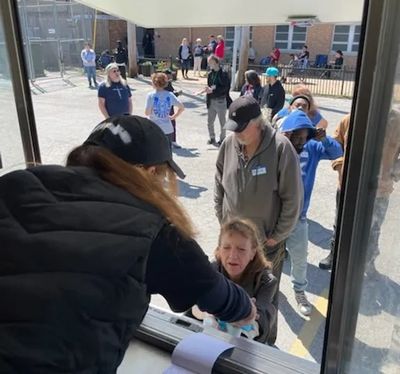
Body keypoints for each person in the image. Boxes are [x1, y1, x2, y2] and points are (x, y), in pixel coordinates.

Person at [0, 115, 257, 372]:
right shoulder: (153, 229)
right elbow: (217, 296)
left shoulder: (17, 183)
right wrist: (248, 310)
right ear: (151, 172)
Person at [215, 96, 303, 344]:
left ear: (258, 123)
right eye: (233, 129)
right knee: (228, 288)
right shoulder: (229, 144)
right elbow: (218, 183)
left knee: (265, 299)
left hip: (267, 243)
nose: (237, 134)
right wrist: (223, 221)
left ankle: (265, 343)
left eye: (241, 129)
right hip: (232, 240)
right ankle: (227, 338)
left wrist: (277, 235)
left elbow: (293, 199)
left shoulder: (281, 148)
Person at [279, 110, 342, 315]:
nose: (299, 139)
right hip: (273, 216)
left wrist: (324, 139)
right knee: (268, 257)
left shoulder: (312, 147)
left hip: (298, 217)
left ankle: (299, 291)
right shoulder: (279, 145)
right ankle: (267, 289)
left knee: (299, 258)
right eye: (295, 134)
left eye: (303, 135)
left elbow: (336, 152)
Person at [192, 219, 277, 344]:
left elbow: (260, 322)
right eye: (226, 247)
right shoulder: (212, 270)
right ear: (219, 249)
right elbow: (193, 308)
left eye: (241, 249)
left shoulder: (266, 281)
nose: (232, 256)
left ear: (253, 253)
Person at [145, 72, 184, 145]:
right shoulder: (170, 95)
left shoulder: (150, 96)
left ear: (154, 83)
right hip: (167, 128)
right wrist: (174, 116)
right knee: (167, 153)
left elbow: (147, 112)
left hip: (154, 128)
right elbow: (181, 107)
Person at [204, 55, 230, 146]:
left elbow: (225, 88)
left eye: (210, 62)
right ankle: (212, 138)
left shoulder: (223, 73)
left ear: (216, 62)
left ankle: (222, 139)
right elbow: (209, 86)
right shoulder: (210, 74)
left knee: (222, 122)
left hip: (220, 100)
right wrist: (207, 90)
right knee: (210, 121)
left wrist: (214, 90)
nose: (209, 64)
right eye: (208, 62)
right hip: (211, 100)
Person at [164, 69, 183, 149]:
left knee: (172, 123)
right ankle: (165, 141)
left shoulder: (169, 82)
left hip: (170, 106)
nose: (171, 76)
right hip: (164, 107)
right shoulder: (163, 83)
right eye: (169, 75)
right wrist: (177, 93)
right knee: (165, 123)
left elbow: (172, 90)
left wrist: (176, 92)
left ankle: (173, 141)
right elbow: (168, 94)